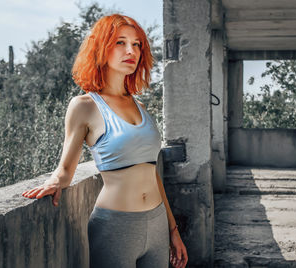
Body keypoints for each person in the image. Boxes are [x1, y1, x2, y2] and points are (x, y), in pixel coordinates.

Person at [22, 14, 188, 268]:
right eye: (120, 42)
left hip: (156, 223)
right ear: (101, 48)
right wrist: (55, 181)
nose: (131, 51)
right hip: (115, 226)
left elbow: (152, 173)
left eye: (137, 44)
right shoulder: (84, 106)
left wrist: (172, 229)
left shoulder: (140, 106)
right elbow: (66, 169)